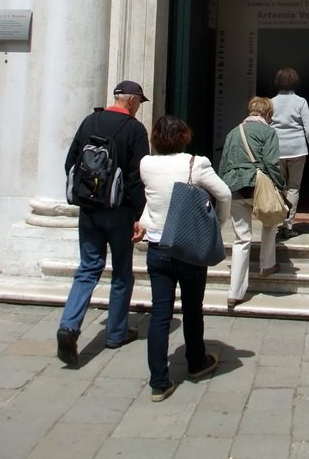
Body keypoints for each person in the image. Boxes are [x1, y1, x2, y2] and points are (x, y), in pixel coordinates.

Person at [132, 116, 231, 400]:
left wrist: (144, 221)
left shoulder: (146, 164)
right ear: (184, 136)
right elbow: (223, 194)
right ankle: (196, 361)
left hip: (158, 247)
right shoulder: (195, 163)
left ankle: (159, 382)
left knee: (160, 313)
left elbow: (154, 199)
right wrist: (217, 225)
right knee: (192, 308)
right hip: (187, 247)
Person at [56, 80, 150, 367]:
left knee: (88, 268)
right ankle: (116, 333)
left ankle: (69, 326)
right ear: (132, 101)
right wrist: (139, 214)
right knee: (121, 272)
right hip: (119, 211)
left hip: (89, 208)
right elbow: (136, 176)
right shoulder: (135, 129)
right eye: (138, 102)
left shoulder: (90, 121)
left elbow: (70, 162)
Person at [218, 97, 286, 307]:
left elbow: (223, 162)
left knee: (241, 238)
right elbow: (272, 163)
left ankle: (234, 293)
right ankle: (267, 264)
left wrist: (221, 190)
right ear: (268, 114)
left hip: (235, 187)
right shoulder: (268, 132)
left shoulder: (232, 133)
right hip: (258, 185)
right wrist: (280, 186)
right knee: (271, 220)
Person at [270, 68, 309, 239]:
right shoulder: (301, 102)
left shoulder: (270, 103)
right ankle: (287, 225)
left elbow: (265, 128)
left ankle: (275, 223)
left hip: (276, 150)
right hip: (297, 150)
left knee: (278, 187)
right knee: (293, 188)